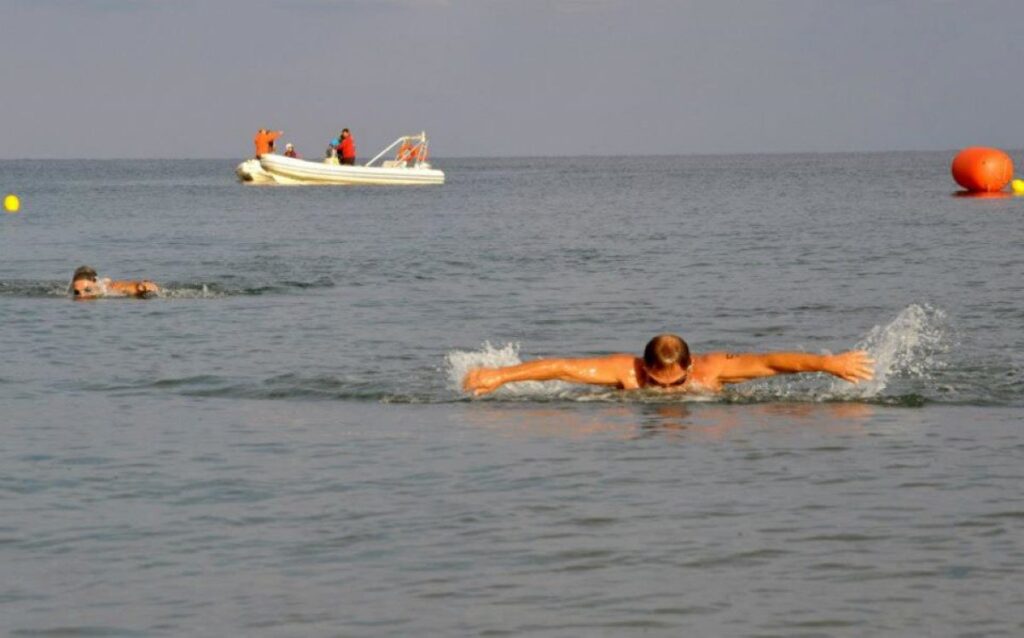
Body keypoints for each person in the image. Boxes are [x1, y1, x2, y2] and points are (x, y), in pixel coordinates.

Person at [462, 333, 874, 396]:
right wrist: (499, 375)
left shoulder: (712, 369)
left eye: (675, 384)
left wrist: (828, 363)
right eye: (659, 384)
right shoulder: (627, 372)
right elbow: (561, 367)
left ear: (690, 368)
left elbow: (770, 362)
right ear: (644, 370)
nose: (666, 391)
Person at [68, 265, 159, 300]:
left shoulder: (113, 289)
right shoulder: (72, 291)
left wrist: (142, 287)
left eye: (87, 290)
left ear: (95, 282)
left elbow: (138, 287)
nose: (81, 296)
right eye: (77, 292)